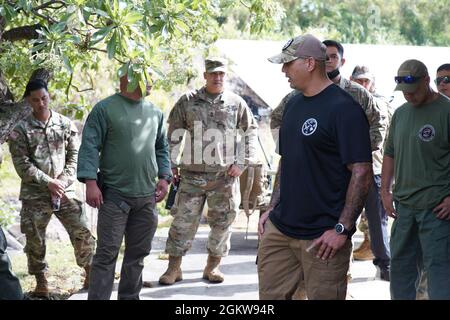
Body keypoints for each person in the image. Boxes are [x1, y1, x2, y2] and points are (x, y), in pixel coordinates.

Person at [258, 34, 373, 300]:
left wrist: (342, 229)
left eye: (288, 63)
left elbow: (361, 171)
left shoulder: (345, 109)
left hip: (324, 238)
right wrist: (272, 208)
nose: (283, 70)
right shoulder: (293, 104)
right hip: (281, 231)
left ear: (310, 63)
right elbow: (287, 160)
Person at [158, 57, 258, 285]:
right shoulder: (188, 101)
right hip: (192, 176)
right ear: (205, 75)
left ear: (226, 76)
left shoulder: (235, 102)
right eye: (213, 73)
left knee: (222, 223)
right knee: (182, 222)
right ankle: (174, 269)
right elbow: (173, 134)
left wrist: (241, 162)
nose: (217, 77)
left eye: (221, 73)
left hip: (224, 177)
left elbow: (251, 131)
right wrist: (170, 165)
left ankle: (212, 267)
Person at [77, 69, 171, 300]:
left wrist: (164, 176)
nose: (152, 80)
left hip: (146, 196)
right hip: (114, 196)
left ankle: (129, 297)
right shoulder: (105, 108)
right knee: (106, 255)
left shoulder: (154, 112)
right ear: (128, 78)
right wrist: (90, 182)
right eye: (147, 75)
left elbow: (161, 147)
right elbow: (89, 145)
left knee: (137, 255)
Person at [7, 79, 95, 298]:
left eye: (44, 98)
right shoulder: (20, 130)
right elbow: (22, 164)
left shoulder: (65, 124)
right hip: (35, 194)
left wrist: (63, 181)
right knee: (35, 239)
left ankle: (91, 275)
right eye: (35, 100)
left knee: (82, 231)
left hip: (65, 192)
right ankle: (41, 283)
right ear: (28, 101)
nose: (41, 103)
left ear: (49, 96)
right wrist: (48, 182)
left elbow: (75, 156)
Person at [381, 59, 450, 300]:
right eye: (404, 93)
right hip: (404, 207)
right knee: (400, 268)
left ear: (427, 81)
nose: (408, 96)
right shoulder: (400, 114)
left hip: (437, 208)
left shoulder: (446, 111)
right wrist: (385, 191)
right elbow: (389, 152)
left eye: (413, 91)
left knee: (439, 271)